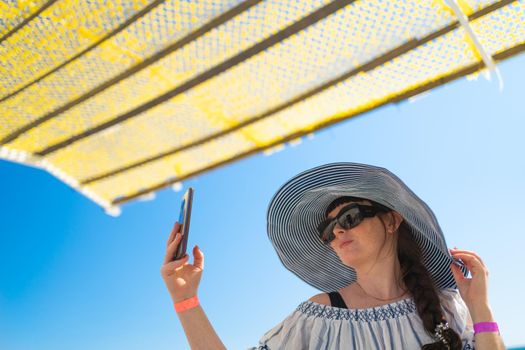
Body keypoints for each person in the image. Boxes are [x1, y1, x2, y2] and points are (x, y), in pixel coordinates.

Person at [161, 162, 505, 349]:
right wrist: (186, 300)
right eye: (328, 231)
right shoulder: (319, 317)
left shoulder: (446, 305)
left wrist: (480, 307)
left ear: (391, 220)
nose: (337, 232)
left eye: (349, 217)